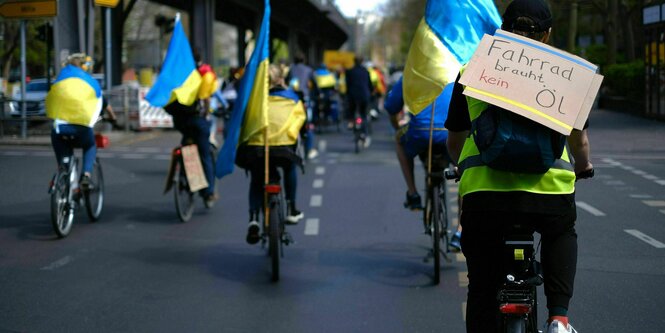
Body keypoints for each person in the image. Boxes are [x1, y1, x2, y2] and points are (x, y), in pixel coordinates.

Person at [445, 1, 593, 332]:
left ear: (502, 28)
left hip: (484, 195)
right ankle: (558, 317)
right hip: (548, 192)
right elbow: (579, 141)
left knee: (482, 286)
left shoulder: (473, 68)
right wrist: (583, 166)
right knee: (561, 232)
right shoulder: (568, 75)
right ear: (548, 33)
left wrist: (460, 166)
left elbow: (455, 138)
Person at [384, 77, 462, 252]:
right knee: (465, 169)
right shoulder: (457, 70)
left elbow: (391, 107)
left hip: (420, 133)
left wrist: (396, 126)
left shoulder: (414, 70)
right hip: (451, 133)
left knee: (398, 141)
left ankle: (413, 194)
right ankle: (460, 231)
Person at [235, 64, 307, 244]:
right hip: (284, 148)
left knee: (257, 177)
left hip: (258, 148)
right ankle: (291, 208)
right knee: (290, 168)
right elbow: (301, 123)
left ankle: (253, 218)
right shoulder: (293, 98)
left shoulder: (254, 99)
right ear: (281, 79)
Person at [166, 50, 218, 208]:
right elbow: (205, 99)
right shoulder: (201, 75)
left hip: (180, 121)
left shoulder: (180, 74)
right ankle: (208, 192)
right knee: (205, 154)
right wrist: (207, 111)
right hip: (196, 121)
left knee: (187, 141)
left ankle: (186, 170)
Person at [46, 53, 103, 189]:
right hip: (81, 128)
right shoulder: (91, 82)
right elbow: (102, 102)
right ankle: (86, 175)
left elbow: (50, 99)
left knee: (63, 152)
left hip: (60, 128)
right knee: (90, 145)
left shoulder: (59, 79)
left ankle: (62, 172)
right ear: (85, 67)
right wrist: (112, 116)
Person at [287, 52, 318, 159]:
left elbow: (286, 82)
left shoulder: (291, 69)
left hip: (292, 100)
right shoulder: (309, 70)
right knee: (308, 124)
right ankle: (309, 149)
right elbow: (315, 84)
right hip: (305, 99)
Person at [344, 56, 373, 147]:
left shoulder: (349, 72)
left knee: (351, 110)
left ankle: (351, 122)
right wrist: (371, 92)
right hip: (364, 96)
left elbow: (347, 85)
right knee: (363, 114)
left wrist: (347, 94)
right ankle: (364, 133)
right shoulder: (366, 71)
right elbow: (369, 85)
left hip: (353, 96)